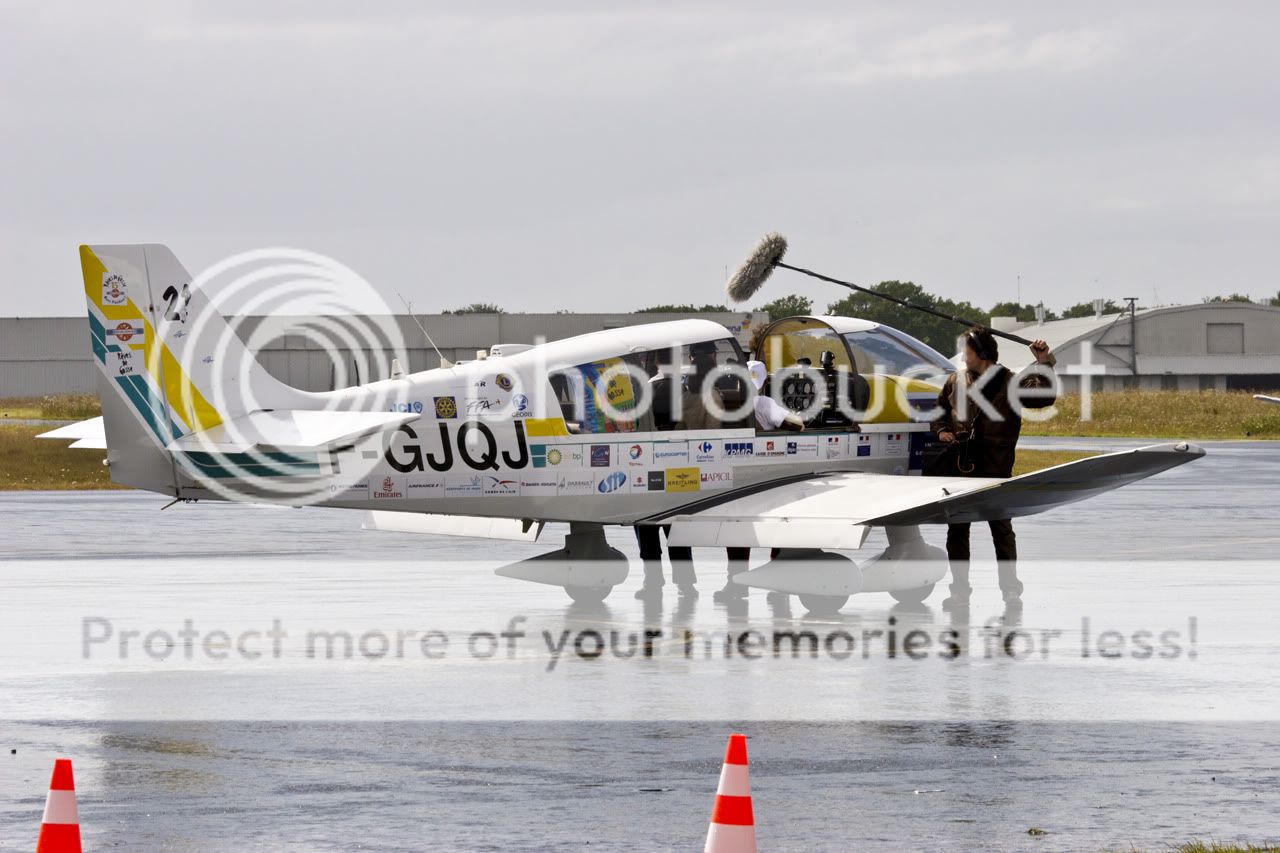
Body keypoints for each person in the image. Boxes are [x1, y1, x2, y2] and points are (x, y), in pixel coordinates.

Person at [930, 327, 1057, 609]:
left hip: (995, 468)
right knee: (957, 531)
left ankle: (1010, 591)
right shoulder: (955, 381)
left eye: (968, 351)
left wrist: (1043, 362)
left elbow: (1044, 397)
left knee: (1001, 531)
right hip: (961, 467)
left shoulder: (1010, 382)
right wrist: (941, 432)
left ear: (983, 354)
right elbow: (938, 413)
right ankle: (960, 592)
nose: (963, 356)